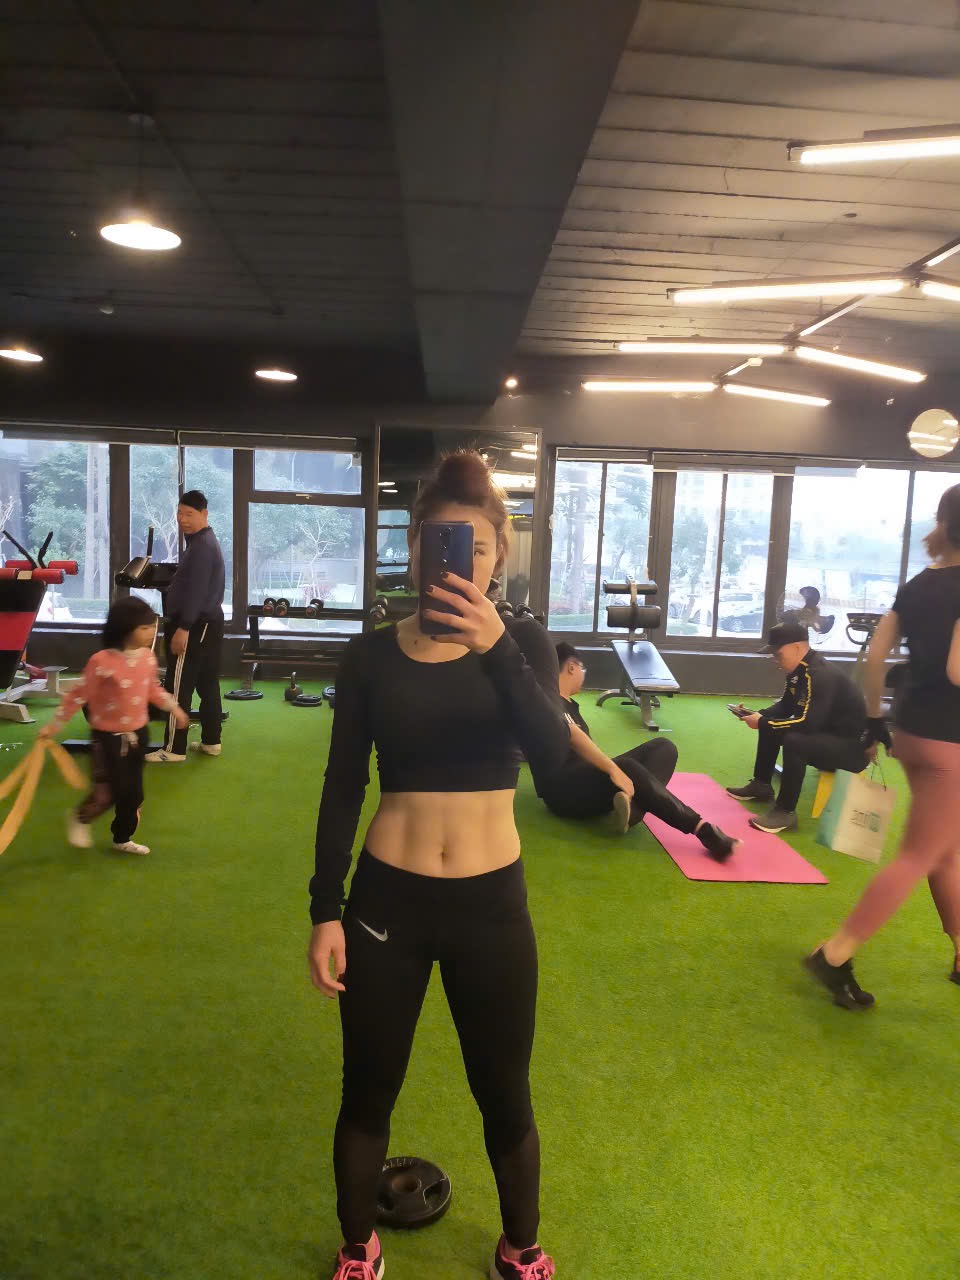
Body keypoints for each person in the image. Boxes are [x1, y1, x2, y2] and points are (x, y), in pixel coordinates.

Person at [307, 451, 568, 1280]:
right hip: (388, 902)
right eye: (440, 543)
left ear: (498, 557)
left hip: (492, 907)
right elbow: (343, 784)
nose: (458, 560)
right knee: (367, 1088)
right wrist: (324, 908)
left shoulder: (523, 642)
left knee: (505, 1091)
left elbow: (556, 762)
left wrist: (497, 649)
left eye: (477, 547)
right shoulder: (370, 657)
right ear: (418, 549)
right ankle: (358, 1248)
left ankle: (520, 1248)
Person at [805, 483, 960, 1009]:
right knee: (918, 855)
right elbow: (957, 671)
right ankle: (835, 954)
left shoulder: (918, 585)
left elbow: (874, 658)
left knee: (943, 851)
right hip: (950, 742)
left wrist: (874, 719)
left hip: (910, 732)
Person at [528, 641, 739, 861]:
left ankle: (632, 811)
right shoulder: (549, 699)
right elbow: (572, 735)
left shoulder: (569, 705)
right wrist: (613, 769)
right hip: (562, 793)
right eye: (583, 669)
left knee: (664, 748)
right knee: (625, 767)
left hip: (584, 781)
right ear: (572, 667)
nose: (583, 675)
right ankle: (703, 829)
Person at [39, 596, 189, 854]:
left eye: (152, 626)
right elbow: (79, 694)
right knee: (107, 794)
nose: (151, 632)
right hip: (107, 738)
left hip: (138, 734)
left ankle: (122, 838)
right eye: (144, 627)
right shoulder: (101, 661)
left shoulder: (147, 658)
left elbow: (152, 689)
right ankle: (81, 817)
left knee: (134, 794)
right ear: (124, 629)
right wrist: (55, 725)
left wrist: (174, 708)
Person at [727, 621, 867, 833]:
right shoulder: (797, 672)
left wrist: (763, 722)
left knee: (794, 740)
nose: (776, 661)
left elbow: (808, 724)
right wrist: (758, 715)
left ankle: (785, 812)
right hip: (824, 737)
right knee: (771, 724)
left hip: (852, 751)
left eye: (778, 654)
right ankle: (761, 785)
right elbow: (786, 706)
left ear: (797, 647)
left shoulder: (819, 674)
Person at [146, 490, 225, 763]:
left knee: (178, 686)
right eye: (180, 513)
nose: (183, 519)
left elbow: (197, 592)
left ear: (204, 514)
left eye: (189, 514)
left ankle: (173, 749)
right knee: (207, 682)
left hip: (195, 624)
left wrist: (184, 627)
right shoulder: (203, 542)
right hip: (208, 623)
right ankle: (211, 741)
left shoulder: (202, 547)